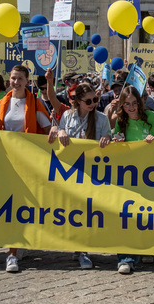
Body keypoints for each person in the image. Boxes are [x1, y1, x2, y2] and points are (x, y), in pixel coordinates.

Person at [47, 82, 111, 271]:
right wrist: (60, 130)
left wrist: (108, 138)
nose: (93, 103)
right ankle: (78, 246)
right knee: (74, 211)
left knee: (88, 212)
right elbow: (60, 131)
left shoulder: (101, 118)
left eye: (95, 99)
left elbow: (109, 137)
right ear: (78, 101)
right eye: (89, 101)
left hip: (92, 172)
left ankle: (83, 250)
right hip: (71, 172)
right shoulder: (67, 115)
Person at [0, 65, 52, 272]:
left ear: (27, 81)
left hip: (28, 163)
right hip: (7, 162)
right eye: (13, 78)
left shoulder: (34, 103)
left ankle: (14, 252)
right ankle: (14, 249)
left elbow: (47, 129)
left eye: (20, 79)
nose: (16, 82)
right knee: (11, 205)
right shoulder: (2, 103)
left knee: (22, 206)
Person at [110, 86, 154, 272]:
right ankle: (126, 258)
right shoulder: (121, 120)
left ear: (140, 103)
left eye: (134, 103)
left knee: (147, 215)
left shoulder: (151, 117)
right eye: (127, 104)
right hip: (130, 176)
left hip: (151, 175)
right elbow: (117, 141)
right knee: (128, 217)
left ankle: (147, 249)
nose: (131, 107)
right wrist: (117, 142)